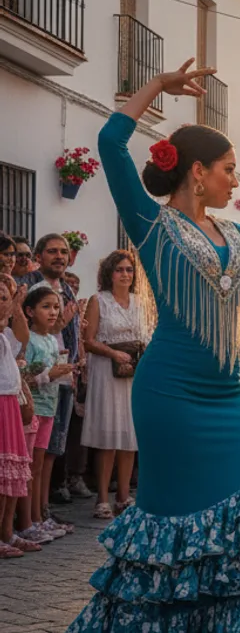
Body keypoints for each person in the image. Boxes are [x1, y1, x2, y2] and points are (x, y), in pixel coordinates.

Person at [69, 63, 240, 632]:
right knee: (171, 524)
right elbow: (110, 142)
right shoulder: (151, 224)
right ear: (198, 173)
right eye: (230, 170)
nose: (237, 180)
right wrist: (155, 87)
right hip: (169, 395)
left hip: (227, 398)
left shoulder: (238, 237)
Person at [17, 234, 88, 506]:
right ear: (39, 256)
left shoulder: (68, 290)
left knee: (54, 445)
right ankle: (31, 513)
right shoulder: (27, 285)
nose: (59, 257)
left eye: (63, 252)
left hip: (63, 374)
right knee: (34, 450)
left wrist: (76, 367)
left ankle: (43, 508)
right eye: (52, 251)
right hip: (36, 375)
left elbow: (70, 332)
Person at [80, 250, 146, 519]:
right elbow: (88, 340)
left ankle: (123, 496)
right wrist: (113, 353)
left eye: (129, 270)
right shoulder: (99, 301)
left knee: (129, 436)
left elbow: (147, 334)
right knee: (108, 437)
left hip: (133, 373)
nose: (125, 274)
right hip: (107, 372)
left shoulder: (141, 303)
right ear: (109, 273)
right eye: (119, 269)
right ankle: (102, 498)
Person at [0, 276, 34, 557]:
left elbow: (22, 337)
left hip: (9, 402)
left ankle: (7, 532)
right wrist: (10, 306)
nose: (3, 304)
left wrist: (17, 308)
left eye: (4, 298)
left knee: (13, 473)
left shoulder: (5, 333)